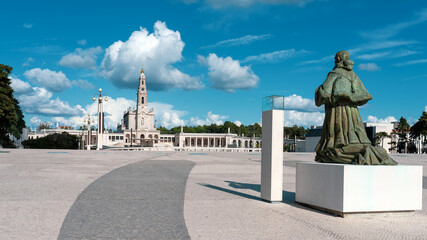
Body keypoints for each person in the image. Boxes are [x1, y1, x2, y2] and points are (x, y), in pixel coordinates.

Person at [315, 50, 397, 165]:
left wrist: (320, 90)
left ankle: (341, 150)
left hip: (337, 111)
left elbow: (324, 93)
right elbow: (364, 95)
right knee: (353, 136)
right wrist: (351, 97)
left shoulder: (335, 73)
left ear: (338, 59)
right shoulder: (353, 75)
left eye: (335, 59)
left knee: (336, 140)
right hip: (353, 112)